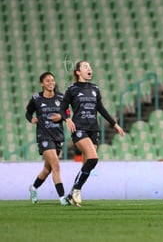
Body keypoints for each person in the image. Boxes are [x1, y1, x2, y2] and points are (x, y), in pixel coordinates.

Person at [60, 61, 124, 206]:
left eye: (90, 67)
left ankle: (71, 195)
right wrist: (68, 119)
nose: (89, 69)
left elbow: (100, 108)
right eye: (85, 67)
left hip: (93, 129)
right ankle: (76, 189)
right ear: (78, 72)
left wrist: (115, 124)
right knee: (93, 158)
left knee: (88, 163)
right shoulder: (72, 89)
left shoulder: (95, 88)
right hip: (79, 129)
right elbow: (62, 108)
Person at [26, 72, 69, 206]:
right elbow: (28, 111)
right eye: (47, 81)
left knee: (47, 169)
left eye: (52, 81)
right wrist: (31, 119)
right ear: (42, 84)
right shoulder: (36, 98)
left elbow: (67, 113)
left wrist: (61, 117)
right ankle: (62, 197)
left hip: (57, 136)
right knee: (56, 164)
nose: (51, 83)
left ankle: (33, 188)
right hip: (43, 136)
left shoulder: (61, 98)